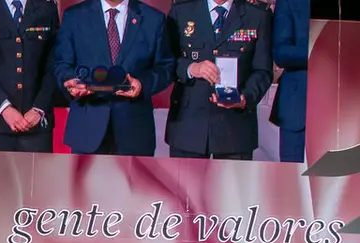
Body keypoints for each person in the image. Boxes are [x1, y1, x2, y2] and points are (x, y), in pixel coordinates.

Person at [52, 0, 174, 156]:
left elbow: (166, 67)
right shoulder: (74, 16)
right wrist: (71, 81)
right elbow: (62, 63)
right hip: (87, 126)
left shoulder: (153, 18)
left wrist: (142, 84)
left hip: (134, 130)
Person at [165, 0, 273, 161]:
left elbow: (262, 71)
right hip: (189, 125)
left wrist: (245, 98)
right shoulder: (181, 11)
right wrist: (191, 68)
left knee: (232, 179)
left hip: (235, 130)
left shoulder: (257, 15)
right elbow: (165, 62)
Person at [0, 0, 59, 153]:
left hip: (36, 124)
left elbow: (54, 64)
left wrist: (39, 108)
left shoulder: (46, 8)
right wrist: (4, 108)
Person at [271, 0, 309, 162]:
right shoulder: (290, 2)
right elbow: (281, 53)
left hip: (346, 108)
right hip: (297, 109)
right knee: (292, 174)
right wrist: (320, 49)